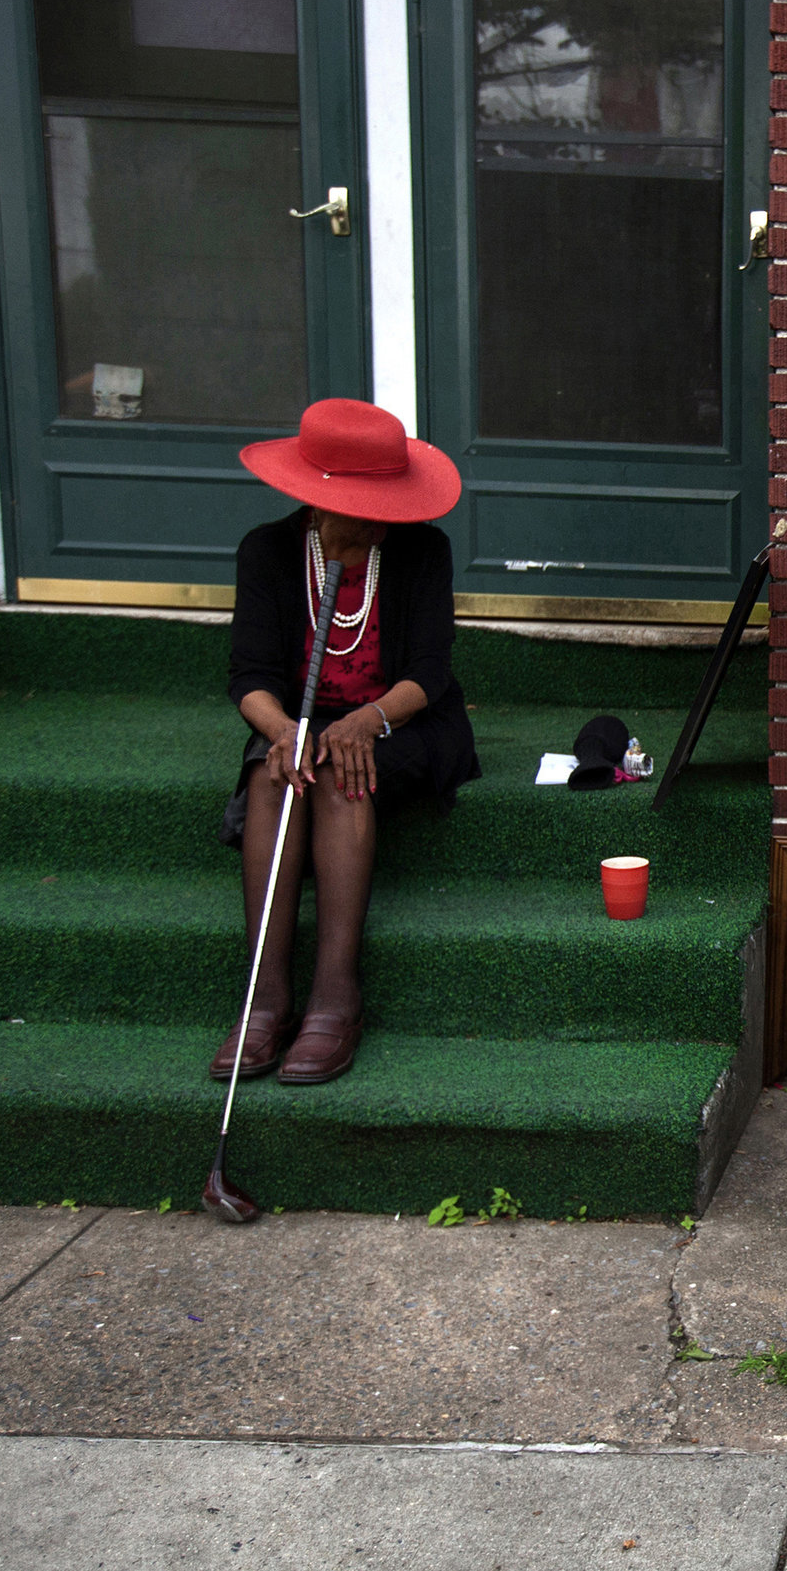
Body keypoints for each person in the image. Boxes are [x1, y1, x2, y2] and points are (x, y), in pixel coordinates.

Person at [210, 399, 478, 1085]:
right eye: (363, 505)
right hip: (297, 720)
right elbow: (250, 678)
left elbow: (429, 671)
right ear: (315, 503)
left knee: (340, 773)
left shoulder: (422, 551)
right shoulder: (267, 552)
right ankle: (265, 997)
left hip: (401, 723)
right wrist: (285, 732)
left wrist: (368, 720)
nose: (379, 518)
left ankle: (335, 994)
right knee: (280, 774)